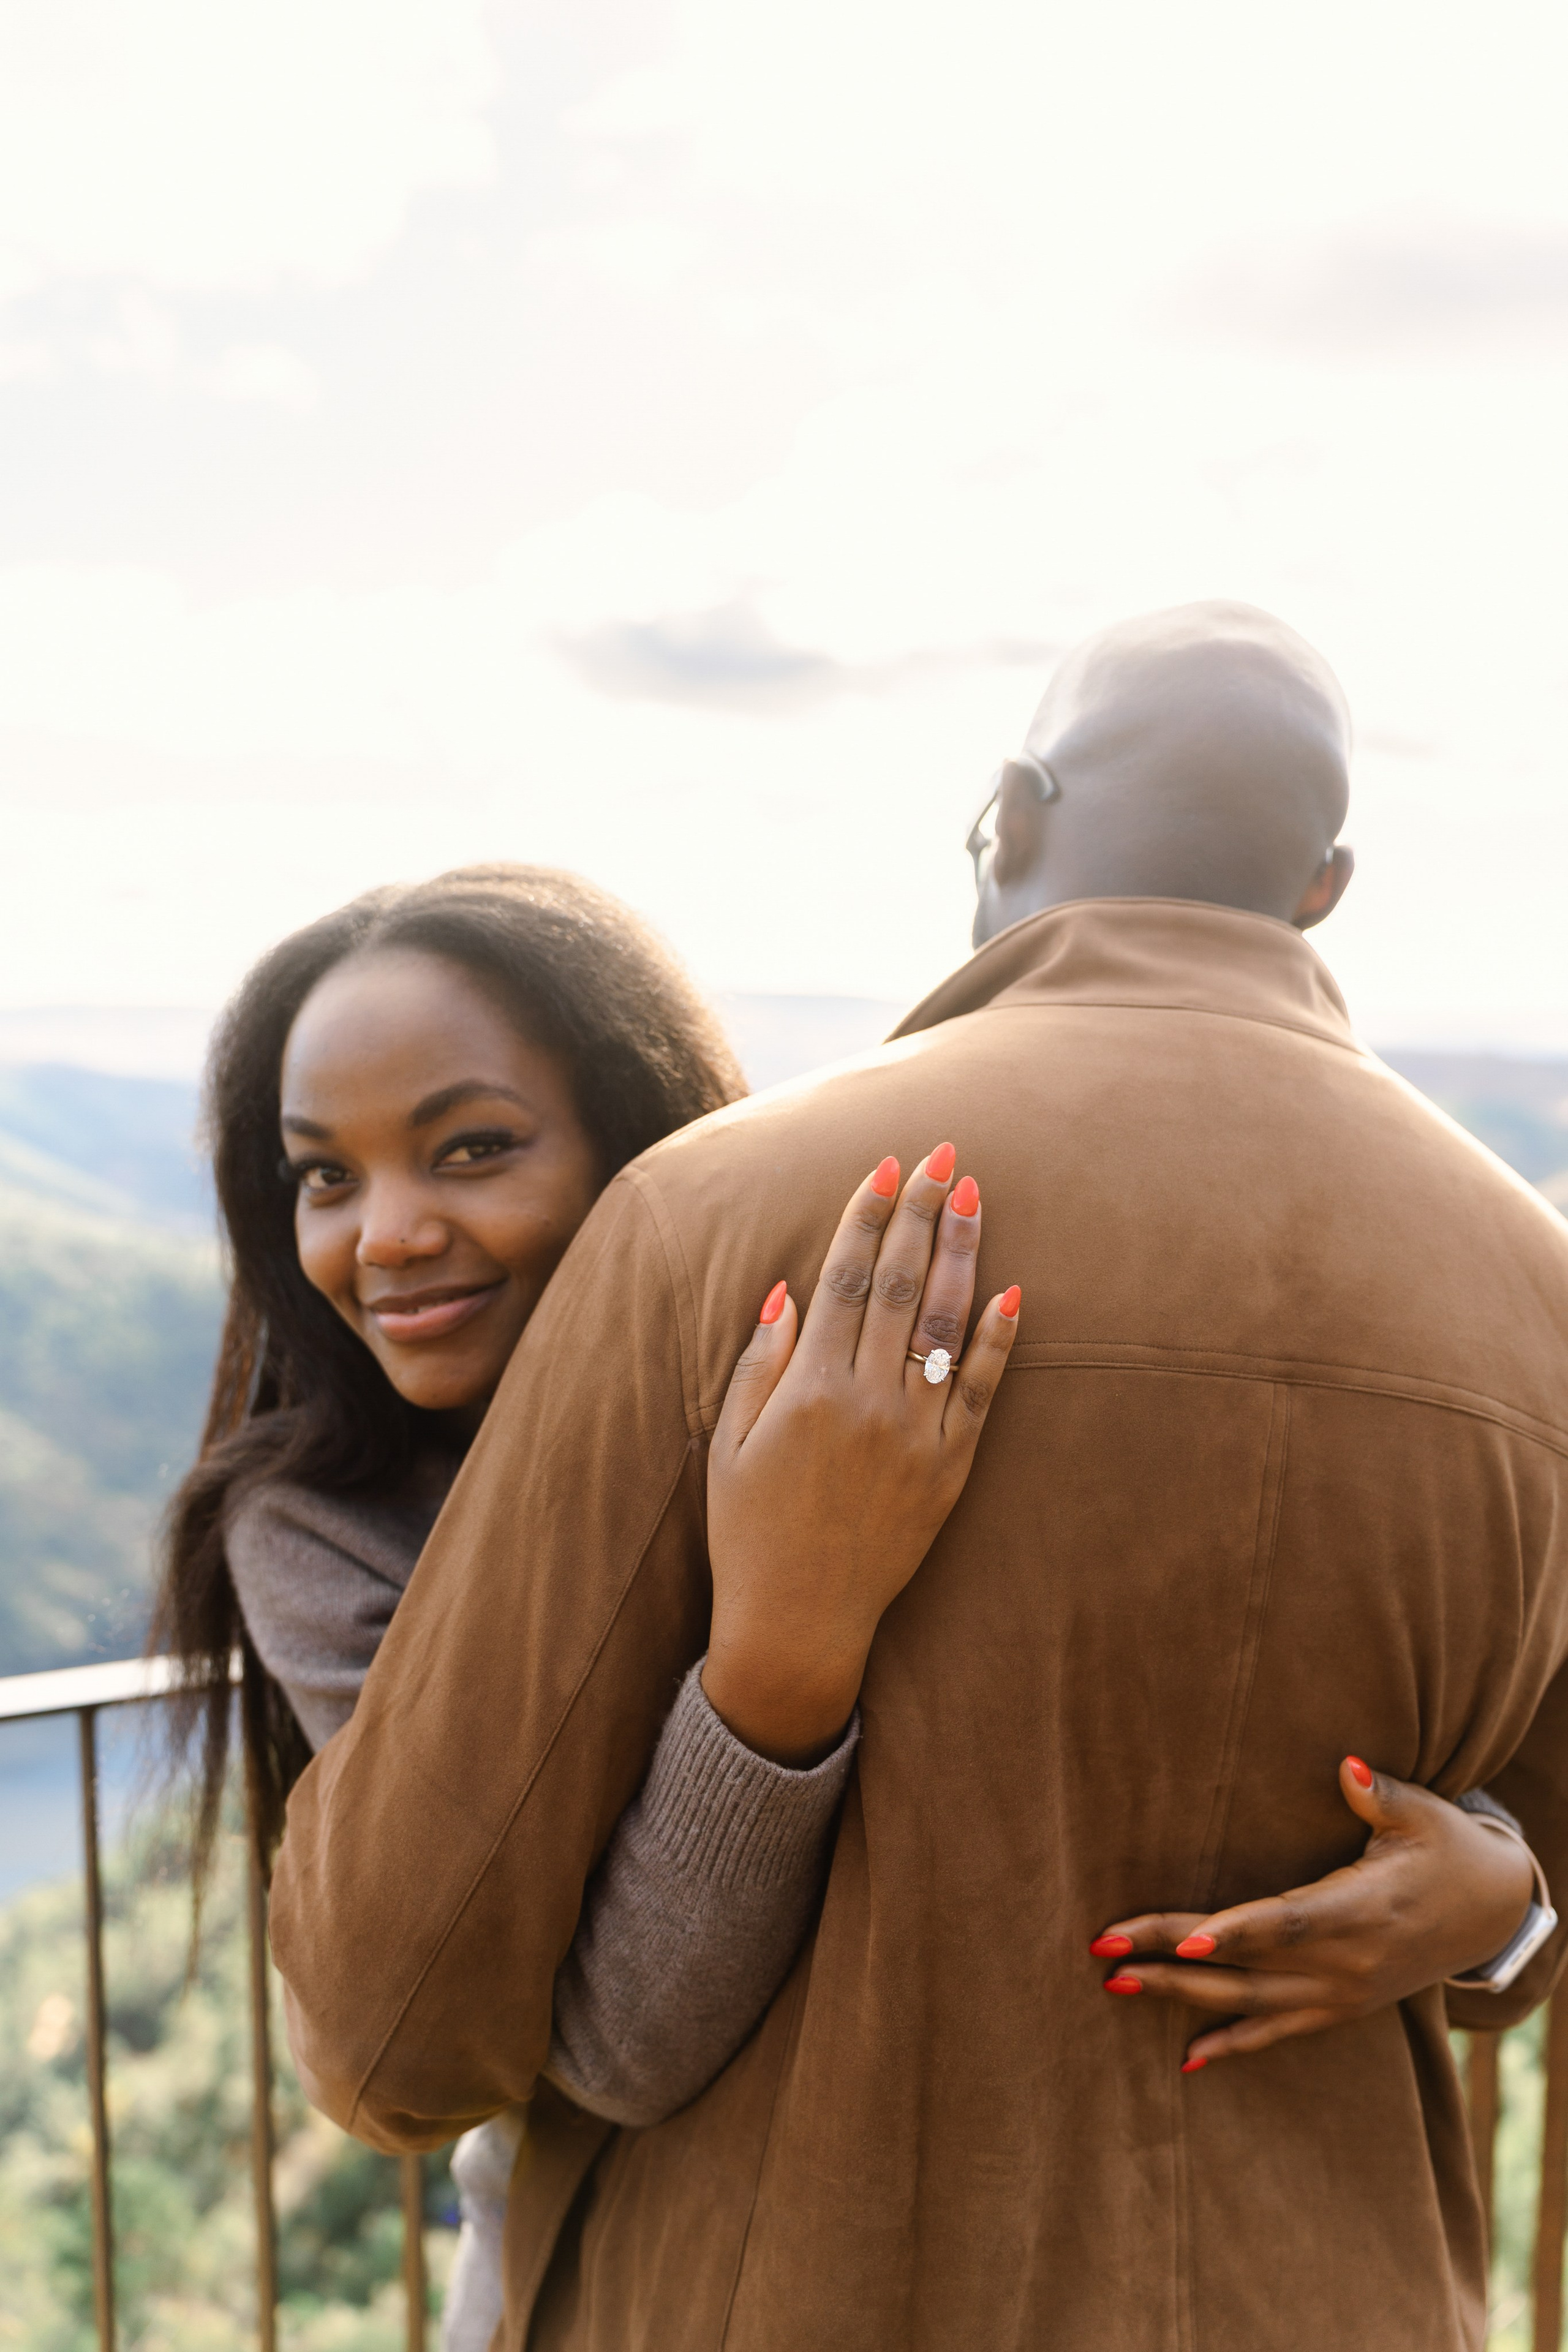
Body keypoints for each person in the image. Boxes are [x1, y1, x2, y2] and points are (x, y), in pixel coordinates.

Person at [269, 598, 1568, 2351]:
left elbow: (398, 2025)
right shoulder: (1540, 1297)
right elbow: (1538, 1882)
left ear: (1012, 818)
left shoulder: (730, 1218)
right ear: (1324, 886)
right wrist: (1506, 1901)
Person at [154, 864, 1021, 2351]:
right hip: (598, 2267)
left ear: (644, 1148)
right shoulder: (319, 1527)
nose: (385, 1235)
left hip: (948, 2230)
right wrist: (783, 1644)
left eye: (470, 1149)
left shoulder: (845, 1399)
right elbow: (611, 2046)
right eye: (325, 1175)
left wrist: (1492, 1905)